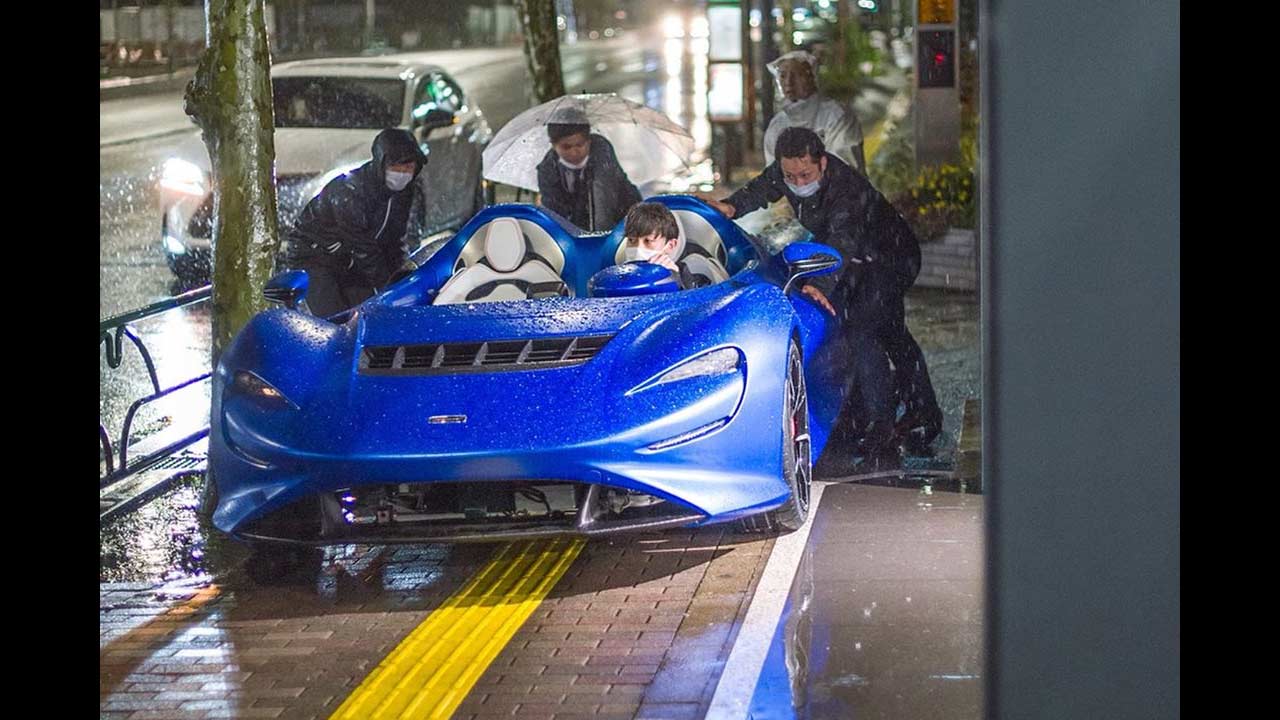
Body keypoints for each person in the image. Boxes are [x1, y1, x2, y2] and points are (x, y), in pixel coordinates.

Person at [705, 127, 942, 469]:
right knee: (888, 330)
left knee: (863, 328)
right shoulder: (786, 172)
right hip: (857, 261)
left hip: (890, 255)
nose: (798, 182)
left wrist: (822, 283)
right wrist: (731, 207)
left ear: (824, 163)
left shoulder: (846, 189)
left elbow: (842, 240)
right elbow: (764, 187)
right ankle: (920, 410)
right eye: (791, 175)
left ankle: (882, 427)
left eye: (806, 174)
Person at [285, 128, 427, 318]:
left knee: (366, 315)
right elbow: (363, 247)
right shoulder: (351, 191)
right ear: (381, 163)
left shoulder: (405, 193)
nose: (403, 174)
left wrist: (402, 278)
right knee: (336, 319)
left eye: (408, 168)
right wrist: (389, 285)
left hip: (350, 260)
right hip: (315, 257)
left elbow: (393, 240)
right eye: (396, 167)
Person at [763, 50, 867, 176]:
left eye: (796, 74)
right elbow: (773, 175)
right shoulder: (777, 124)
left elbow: (844, 168)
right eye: (783, 76)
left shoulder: (837, 116)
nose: (788, 82)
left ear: (812, 77)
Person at [536, 115, 642, 232]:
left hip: (623, 216)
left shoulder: (601, 150)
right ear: (554, 145)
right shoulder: (547, 169)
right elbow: (553, 212)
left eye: (579, 145)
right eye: (566, 147)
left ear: (589, 141)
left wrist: (600, 238)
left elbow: (603, 198)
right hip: (577, 226)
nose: (574, 151)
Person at [620, 202, 708, 290]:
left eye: (648, 241)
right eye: (631, 240)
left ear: (670, 245)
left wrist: (677, 280)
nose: (638, 248)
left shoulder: (696, 283)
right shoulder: (618, 276)